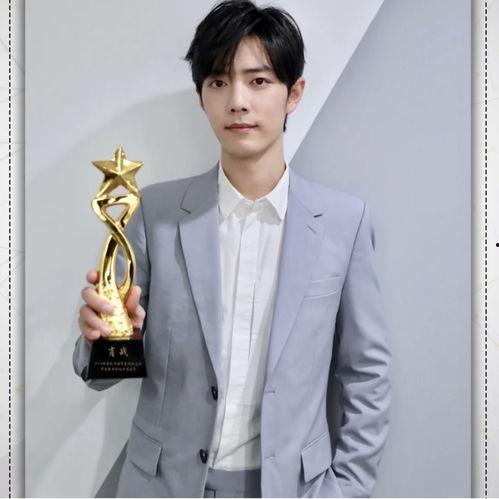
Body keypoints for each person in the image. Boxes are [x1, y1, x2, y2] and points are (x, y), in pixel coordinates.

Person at [73, 0, 391, 497]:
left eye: (258, 81)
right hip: (162, 487)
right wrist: (107, 339)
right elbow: (100, 373)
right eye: (219, 82)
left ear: (294, 93)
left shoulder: (343, 223)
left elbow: (367, 373)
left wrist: (346, 489)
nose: (237, 101)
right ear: (201, 97)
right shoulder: (155, 213)